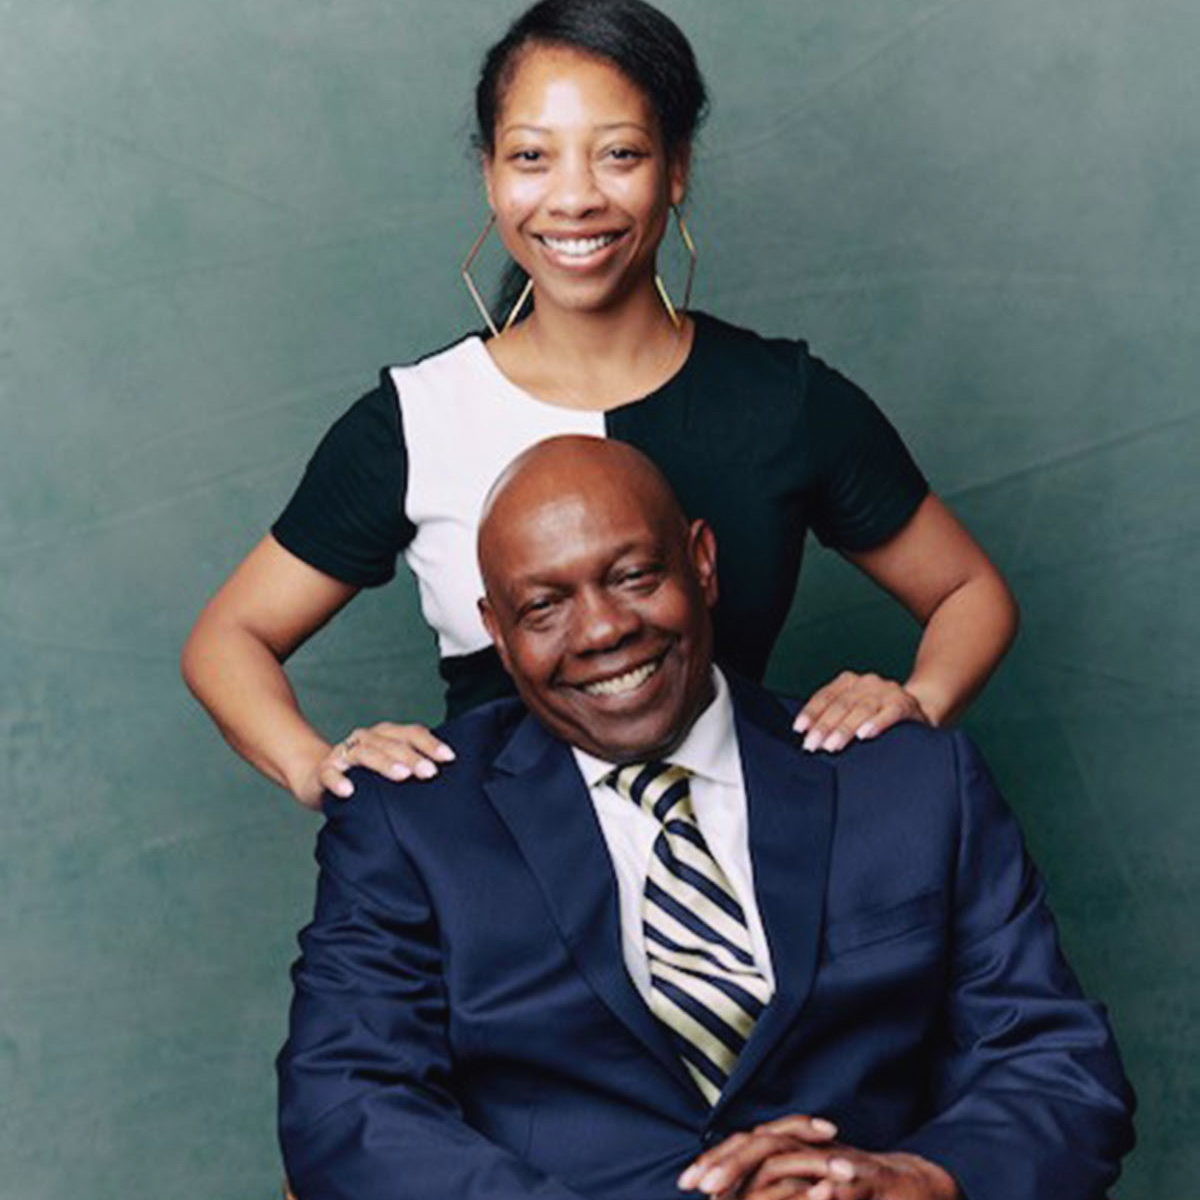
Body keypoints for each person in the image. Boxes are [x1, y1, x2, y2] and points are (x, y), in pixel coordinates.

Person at [181, 0, 1018, 811]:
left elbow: (969, 591)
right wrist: (315, 766)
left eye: (618, 154)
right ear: (489, 174)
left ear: (677, 166)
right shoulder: (417, 420)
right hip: (504, 902)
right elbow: (227, 641)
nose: (573, 198)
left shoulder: (784, 400)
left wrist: (919, 704)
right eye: (532, 157)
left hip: (746, 881)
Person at [277, 436, 1133, 1200]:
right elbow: (346, 1102)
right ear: (497, 635)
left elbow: (1055, 1067)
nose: (603, 629)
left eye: (633, 576)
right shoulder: (413, 819)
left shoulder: (908, 780)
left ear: (703, 562)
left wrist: (926, 1180)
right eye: (546, 607)